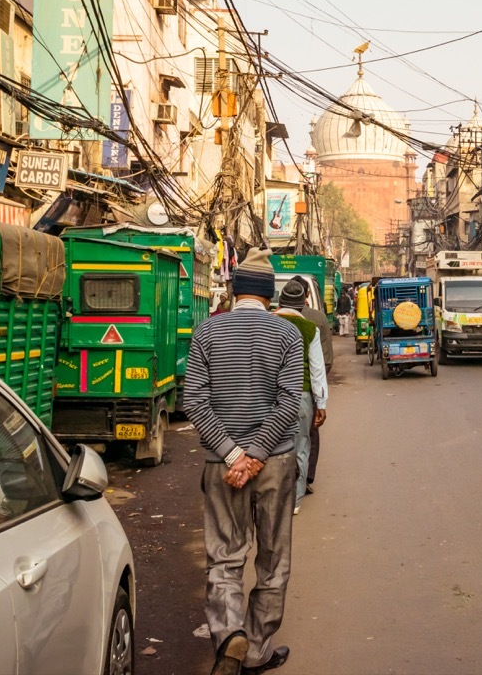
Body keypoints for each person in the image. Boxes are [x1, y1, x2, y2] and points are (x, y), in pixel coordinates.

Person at [182, 249, 302, 675]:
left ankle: (228, 635)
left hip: (221, 464)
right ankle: (253, 649)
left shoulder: (206, 333)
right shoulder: (287, 335)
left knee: (224, 557)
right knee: (272, 560)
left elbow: (192, 399)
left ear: (234, 290)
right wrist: (255, 455)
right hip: (276, 461)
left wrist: (234, 454)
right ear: (269, 295)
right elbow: (291, 402)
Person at [275, 279, 328, 515]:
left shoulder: (269, 324)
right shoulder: (310, 329)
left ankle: (273, 494)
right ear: (303, 303)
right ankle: (295, 500)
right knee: (302, 447)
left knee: (273, 447)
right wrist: (322, 404)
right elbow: (317, 370)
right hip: (303, 396)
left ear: (280, 301)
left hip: (273, 395)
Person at [290, 276, 333, 495]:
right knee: (308, 437)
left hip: (277, 391)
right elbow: (324, 360)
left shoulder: (273, 319)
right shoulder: (317, 319)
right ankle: (305, 480)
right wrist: (320, 396)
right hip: (307, 390)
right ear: (307, 295)